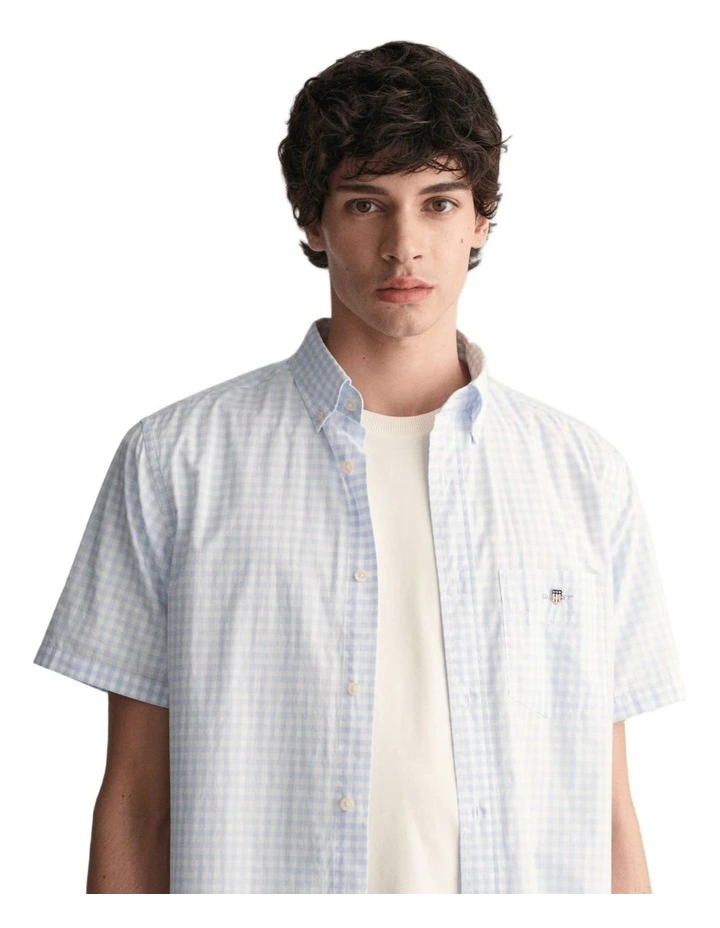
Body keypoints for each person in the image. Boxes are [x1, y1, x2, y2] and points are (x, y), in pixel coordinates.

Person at [32, 40, 686, 894]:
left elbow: (608, 808)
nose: (403, 245)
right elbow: (135, 804)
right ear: (314, 221)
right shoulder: (175, 463)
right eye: (367, 204)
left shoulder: (585, 478)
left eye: (439, 203)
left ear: (481, 220)